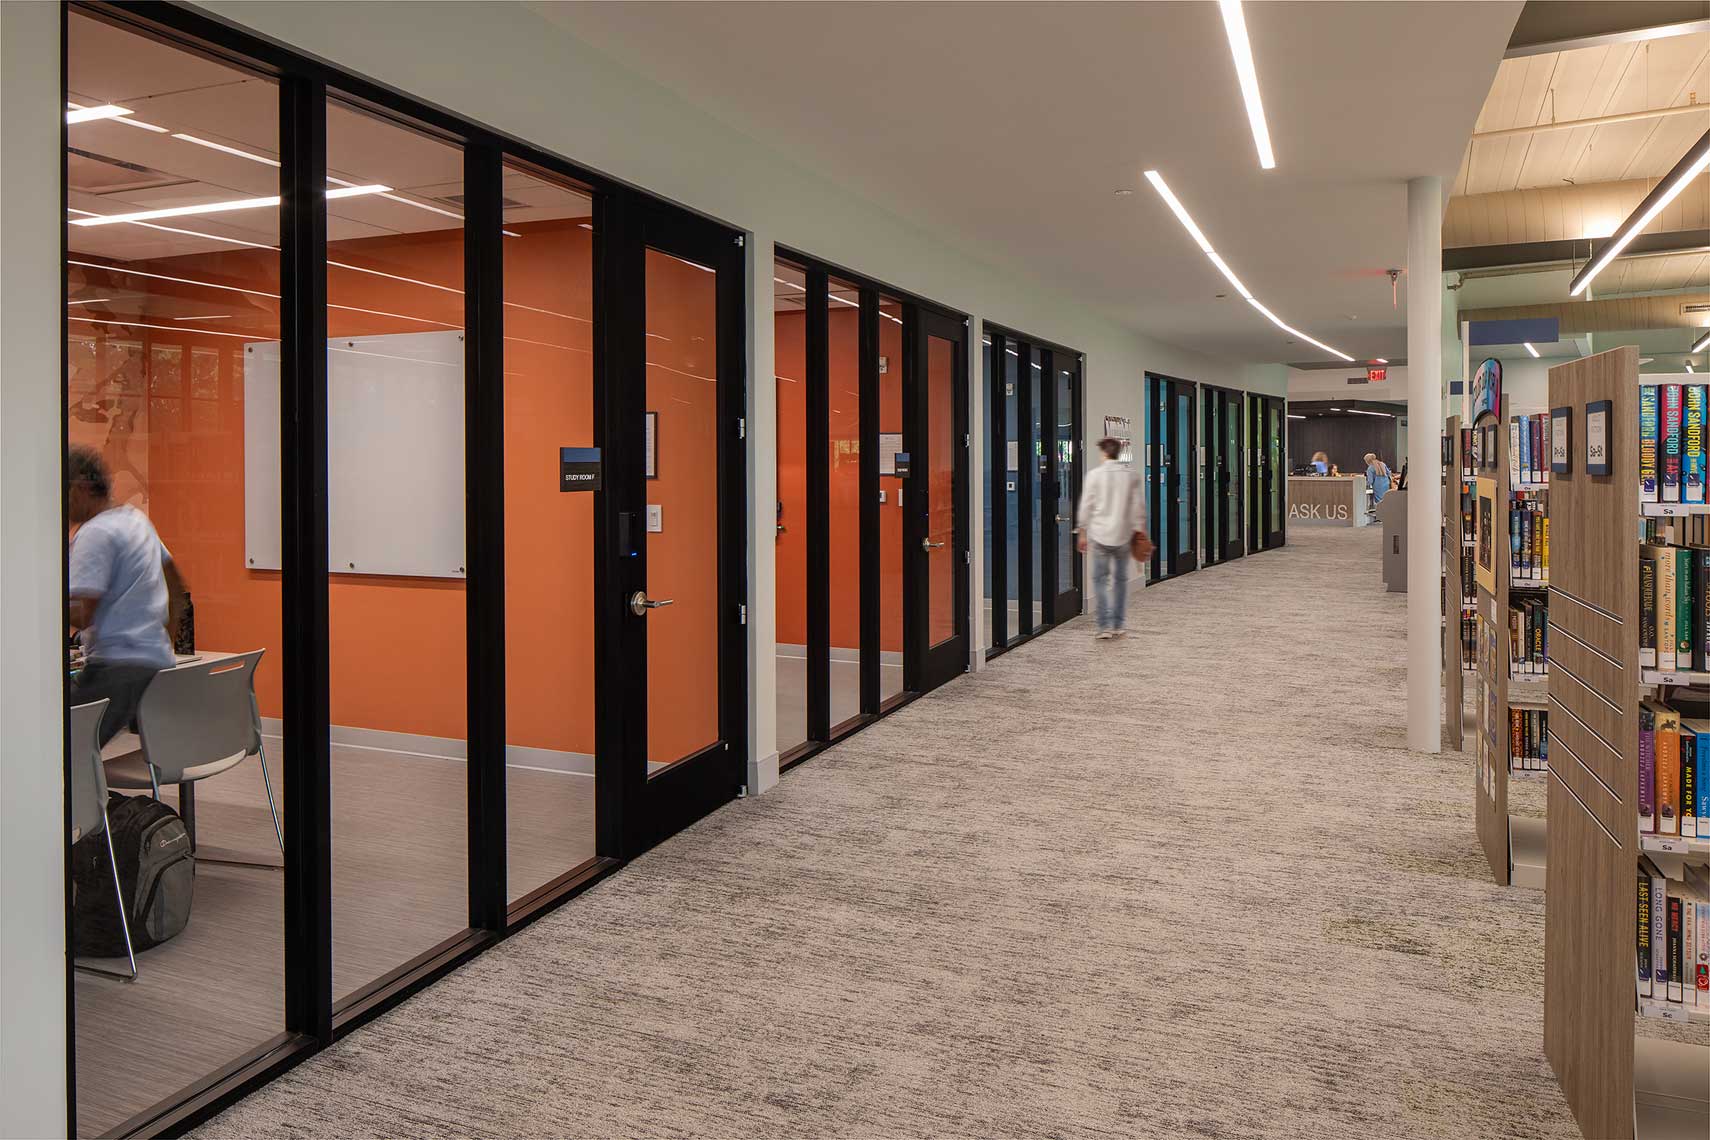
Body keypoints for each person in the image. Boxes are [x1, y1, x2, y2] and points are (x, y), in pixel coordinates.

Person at [66, 445, 187, 745]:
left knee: (60, 741)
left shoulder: (95, 532)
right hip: (154, 663)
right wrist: (162, 640)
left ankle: (84, 793)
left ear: (80, 488)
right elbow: (175, 584)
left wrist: (34, 603)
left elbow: (82, 613)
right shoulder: (136, 520)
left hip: (115, 666)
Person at [1076, 437, 1149, 640]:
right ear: (1118, 452)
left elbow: (1086, 506)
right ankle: (1118, 624)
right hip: (1123, 535)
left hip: (1100, 535)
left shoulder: (1094, 475)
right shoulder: (1131, 476)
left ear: (1104, 453)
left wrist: (1082, 532)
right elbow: (1139, 508)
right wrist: (1141, 532)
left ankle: (1103, 626)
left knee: (1100, 580)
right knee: (1120, 580)